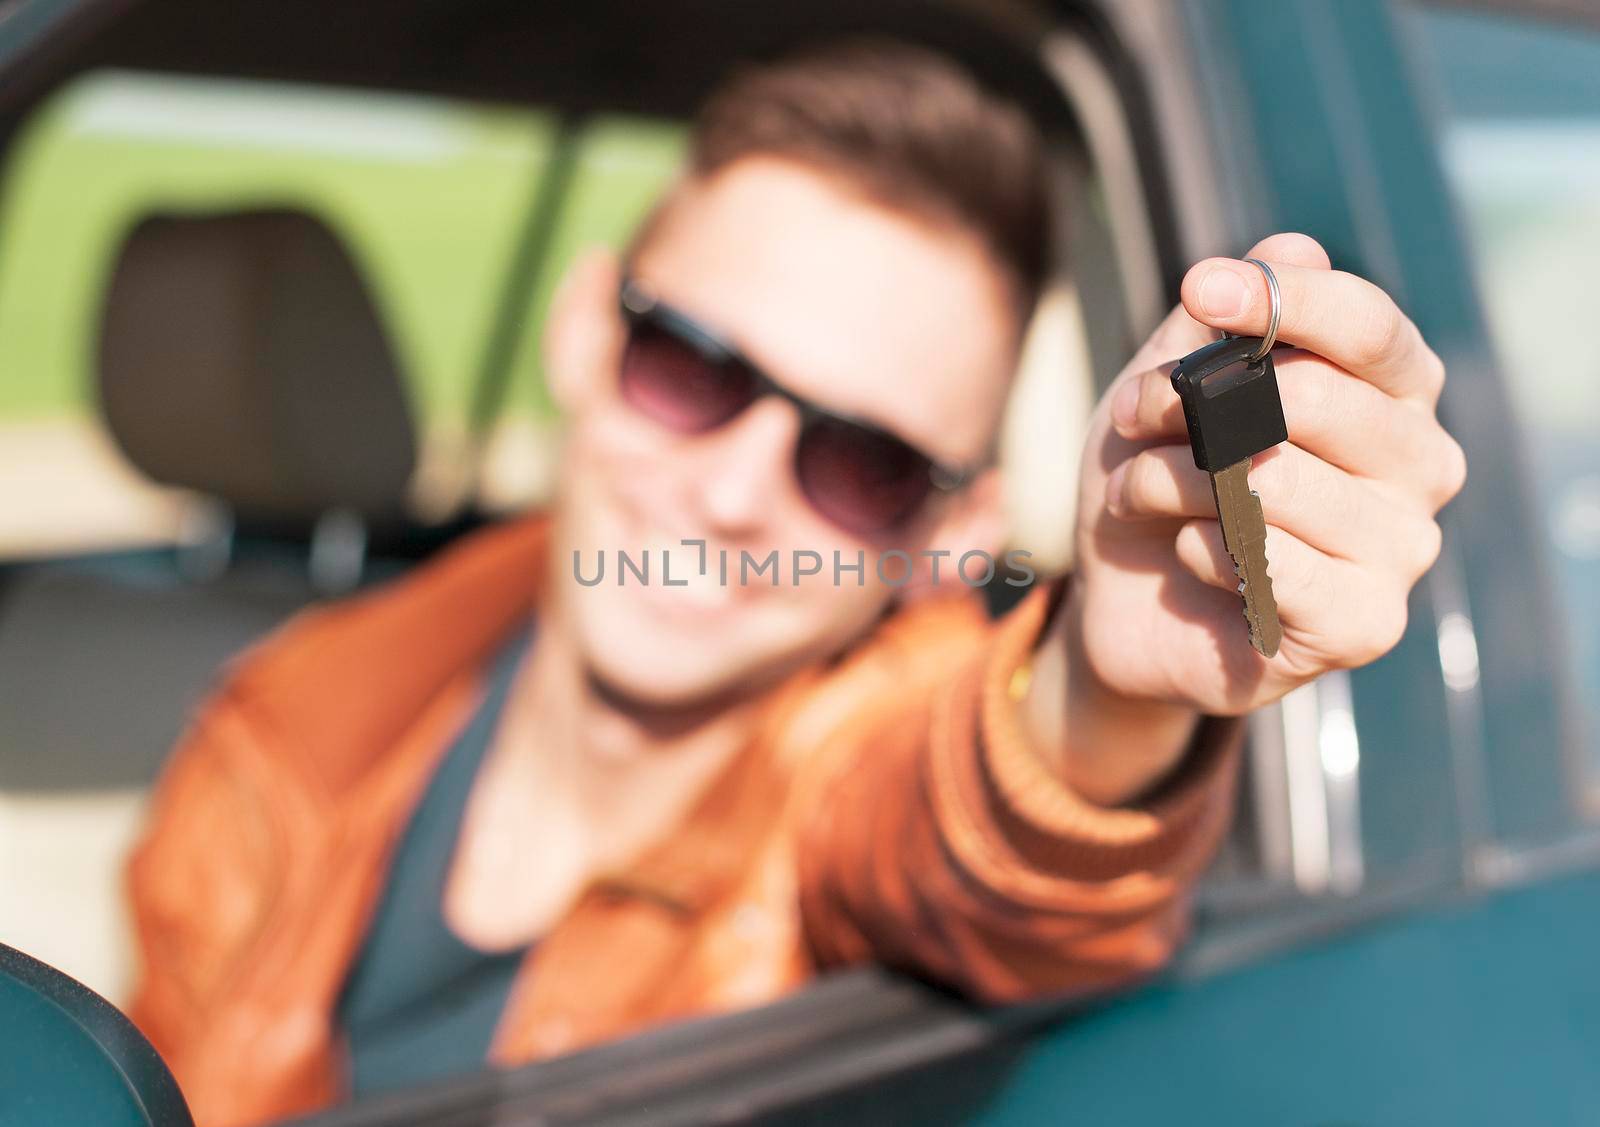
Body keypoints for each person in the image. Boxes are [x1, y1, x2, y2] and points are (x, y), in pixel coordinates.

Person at [124, 42, 1465, 1127]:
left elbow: (977, 825)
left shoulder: (856, 768)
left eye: (865, 462)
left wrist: (1106, 686)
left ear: (958, 529)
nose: (731, 498)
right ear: (588, 331)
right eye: (691, 369)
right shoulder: (294, 713)